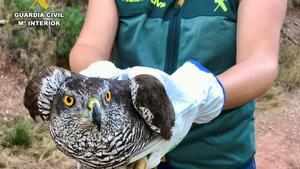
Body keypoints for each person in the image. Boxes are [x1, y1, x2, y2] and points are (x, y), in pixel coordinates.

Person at [69, 0, 287, 168]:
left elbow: (260, 62)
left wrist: (202, 95)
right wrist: (99, 76)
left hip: (217, 156)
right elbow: (89, 44)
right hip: (128, 152)